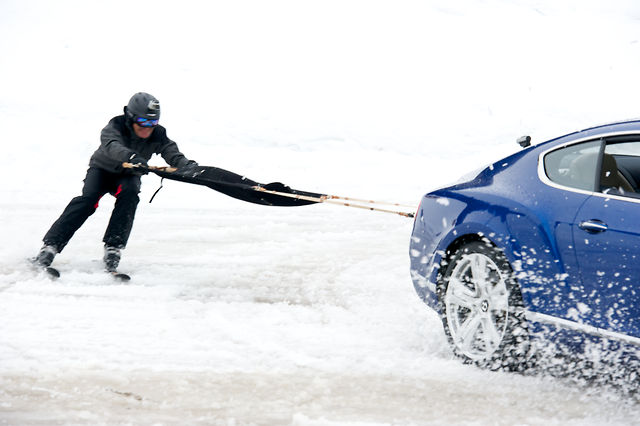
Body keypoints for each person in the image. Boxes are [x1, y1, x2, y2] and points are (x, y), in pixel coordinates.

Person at [33, 92, 198, 273]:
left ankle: (114, 246)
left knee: (130, 195)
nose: (147, 129)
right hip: (102, 170)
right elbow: (112, 145)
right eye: (143, 122)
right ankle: (50, 246)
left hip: (128, 175)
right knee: (87, 201)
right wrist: (132, 156)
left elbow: (170, 151)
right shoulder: (115, 126)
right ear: (131, 117)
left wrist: (186, 166)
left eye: (153, 123)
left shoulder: (158, 134)